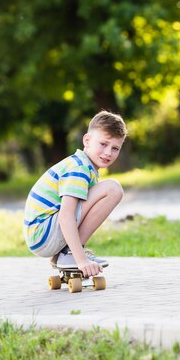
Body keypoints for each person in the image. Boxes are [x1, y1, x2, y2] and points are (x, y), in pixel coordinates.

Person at [23, 110, 127, 278]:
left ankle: (66, 253)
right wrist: (81, 260)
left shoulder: (84, 166)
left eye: (115, 148)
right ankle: (70, 253)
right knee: (113, 189)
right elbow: (66, 215)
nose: (108, 152)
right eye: (103, 144)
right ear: (87, 140)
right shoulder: (78, 168)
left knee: (110, 189)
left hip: (43, 234)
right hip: (43, 233)